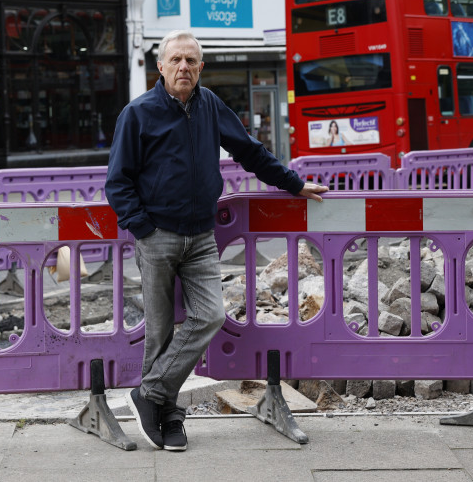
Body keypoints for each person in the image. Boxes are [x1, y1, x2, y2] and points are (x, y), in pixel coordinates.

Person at [106, 30, 328, 452]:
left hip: (201, 237)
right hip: (157, 237)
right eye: (176, 60)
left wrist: (293, 185)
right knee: (158, 333)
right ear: (161, 66)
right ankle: (168, 417)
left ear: (201, 67)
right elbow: (117, 182)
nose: (183, 67)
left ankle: (148, 393)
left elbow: (249, 151)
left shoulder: (210, 107)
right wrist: (143, 228)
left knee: (208, 316)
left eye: (191, 61)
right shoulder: (137, 114)